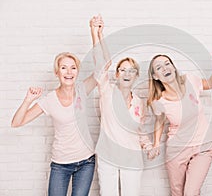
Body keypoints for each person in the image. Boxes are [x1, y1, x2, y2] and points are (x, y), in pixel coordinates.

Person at [10, 50, 98, 194]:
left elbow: (102, 68)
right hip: (60, 165)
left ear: (77, 71)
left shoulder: (82, 89)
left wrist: (95, 33)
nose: (69, 72)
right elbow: (16, 122)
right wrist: (28, 100)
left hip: (86, 162)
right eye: (64, 67)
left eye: (73, 67)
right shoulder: (49, 100)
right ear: (57, 72)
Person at [146, 53, 212, 196]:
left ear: (173, 67)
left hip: (203, 146)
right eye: (159, 67)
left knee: (191, 192)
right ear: (155, 76)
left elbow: (211, 83)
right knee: (177, 192)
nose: (165, 68)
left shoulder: (190, 81)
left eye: (167, 64)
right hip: (177, 151)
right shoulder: (159, 101)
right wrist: (155, 144)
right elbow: (159, 122)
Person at [90, 15, 147, 196]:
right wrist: (96, 34)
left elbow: (140, 131)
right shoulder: (107, 90)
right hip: (108, 156)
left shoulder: (139, 102)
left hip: (132, 158)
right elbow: (102, 64)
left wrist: (148, 146)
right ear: (116, 74)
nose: (126, 73)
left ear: (136, 76)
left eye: (131, 70)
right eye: (122, 69)